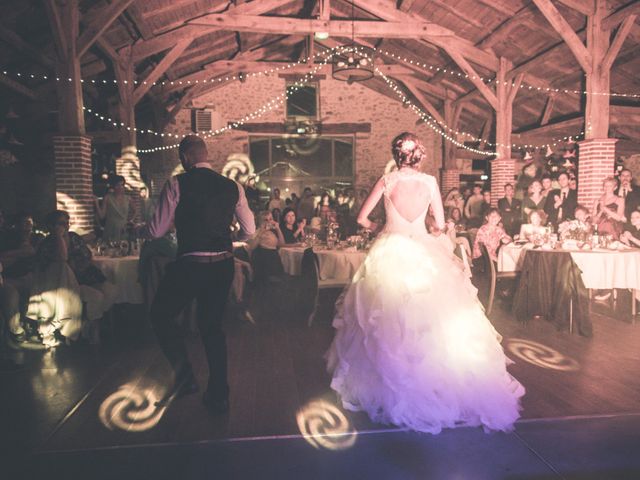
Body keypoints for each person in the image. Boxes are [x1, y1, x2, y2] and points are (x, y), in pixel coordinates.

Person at [327, 132, 524, 434]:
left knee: (386, 321)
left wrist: (384, 227)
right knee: (434, 321)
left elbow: (361, 219)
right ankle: (436, 385)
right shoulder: (430, 183)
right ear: (418, 155)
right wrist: (431, 228)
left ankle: (391, 388)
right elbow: (441, 225)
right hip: (423, 249)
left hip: (390, 251)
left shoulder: (387, 181)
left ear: (397, 154)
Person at [140, 135, 255, 414]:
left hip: (192, 263)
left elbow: (155, 231)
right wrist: (227, 236)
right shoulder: (232, 186)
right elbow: (250, 230)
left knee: (160, 314)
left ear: (185, 158)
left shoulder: (177, 183)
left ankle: (185, 377)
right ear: (206, 155)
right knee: (212, 328)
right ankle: (219, 395)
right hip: (223, 264)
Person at [95, 175, 134, 242]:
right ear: (113, 186)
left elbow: (135, 211)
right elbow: (102, 216)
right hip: (110, 229)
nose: (120, 187)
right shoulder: (107, 198)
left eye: (121, 185)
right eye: (117, 185)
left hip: (123, 230)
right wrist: (96, 203)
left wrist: (130, 221)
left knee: (124, 249)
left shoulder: (128, 198)